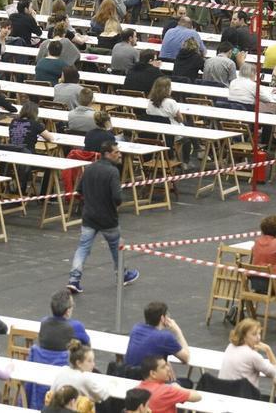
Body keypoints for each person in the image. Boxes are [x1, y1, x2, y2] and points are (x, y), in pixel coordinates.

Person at [66, 141, 139, 293]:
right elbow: (117, 197)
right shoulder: (113, 172)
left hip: (89, 217)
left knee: (83, 248)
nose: (120, 154)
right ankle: (123, 275)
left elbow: (79, 190)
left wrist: (92, 200)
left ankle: (74, 279)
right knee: (116, 248)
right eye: (116, 152)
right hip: (108, 219)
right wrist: (115, 204)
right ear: (107, 154)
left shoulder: (89, 168)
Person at [125, 302, 190, 368]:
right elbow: (186, 358)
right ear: (162, 318)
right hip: (148, 377)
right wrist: (177, 330)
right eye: (167, 315)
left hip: (131, 374)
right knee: (187, 379)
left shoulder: (136, 329)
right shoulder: (165, 337)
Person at [218, 318, 276, 390]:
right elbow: (274, 372)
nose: (258, 337)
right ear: (244, 336)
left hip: (224, 391)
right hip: (244, 395)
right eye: (254, 334)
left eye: (259, 333)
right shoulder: (253, 356)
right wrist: (268, 350)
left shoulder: (230, 346)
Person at [136, 356, 201, 413]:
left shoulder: (136, 389)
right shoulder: (166, 390)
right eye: (163, 367)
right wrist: (178, 388)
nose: (168, 369)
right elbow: (197, 397)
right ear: (153, 374)